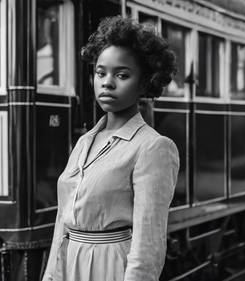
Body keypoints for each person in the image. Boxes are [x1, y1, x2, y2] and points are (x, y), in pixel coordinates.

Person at [42, 16, 179, 281]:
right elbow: (63, 224)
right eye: (100, 72)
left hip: (112, 266)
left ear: (145, 82)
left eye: (122, 75)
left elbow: (147, 245)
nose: (107, 82)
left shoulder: (153, 147)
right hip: (70, 264)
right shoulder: (84, 143)